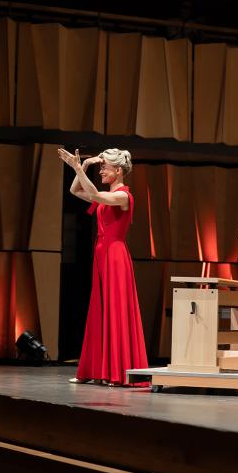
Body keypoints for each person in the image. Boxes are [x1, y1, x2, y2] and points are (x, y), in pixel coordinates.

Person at [57, 147, 148, 387]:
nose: (101, 172)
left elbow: (96, 195)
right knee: (100, 311)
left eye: (104, 168)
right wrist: (84, 166)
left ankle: (117, 372)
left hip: (115, 256)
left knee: (115, 310)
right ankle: (97, 370)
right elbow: (75, 190)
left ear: (118, 170)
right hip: (101, 255)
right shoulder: (106, 195)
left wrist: (78, 167)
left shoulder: (124, 197)